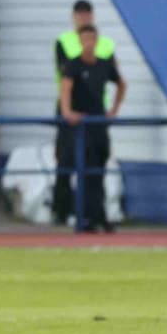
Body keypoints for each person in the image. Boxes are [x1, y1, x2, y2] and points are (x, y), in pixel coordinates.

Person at [56, 24, 124, 233]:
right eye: (85, 39)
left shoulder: (103, 65)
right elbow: (65, 89)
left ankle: (99, 215)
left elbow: (122, 84)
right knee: (83, 170)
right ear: (80, 41)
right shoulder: (73, 66)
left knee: (98, 171)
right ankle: (84, 216)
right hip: (80, 127)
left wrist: (113, 109)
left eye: (92, 39)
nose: (88, 43)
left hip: (98, 124)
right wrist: (67, 112)